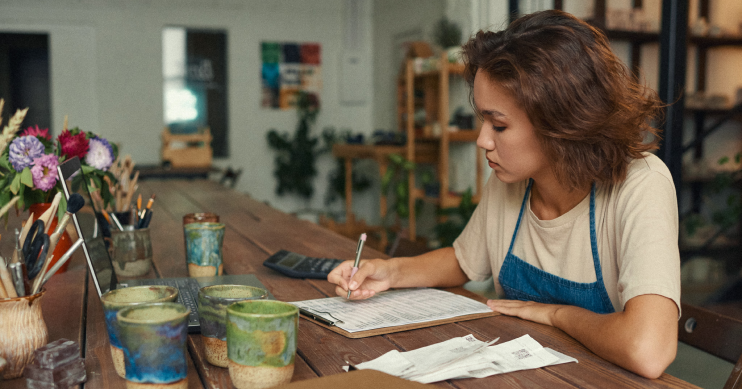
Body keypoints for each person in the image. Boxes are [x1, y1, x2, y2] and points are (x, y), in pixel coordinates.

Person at [328, 9, 680, 379]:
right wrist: (388, 271)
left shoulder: (640, 184)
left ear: (561, 121)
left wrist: (555, 314)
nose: (482, 140)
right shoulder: (510, 182)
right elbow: (466, 261)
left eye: (499, 124)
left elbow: (647, 349)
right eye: (483, 120)